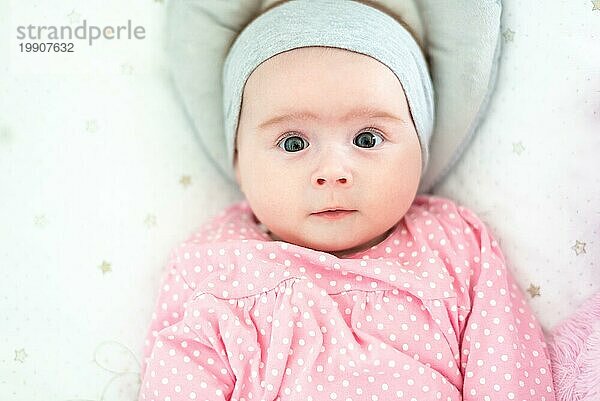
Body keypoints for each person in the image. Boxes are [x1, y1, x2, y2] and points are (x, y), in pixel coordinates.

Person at [137, 1, 556, 400]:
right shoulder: (213, 266)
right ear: (239, 164)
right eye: (294, 142)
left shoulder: (456, 246)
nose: (333, 171)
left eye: (367, 139)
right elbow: (178, 377)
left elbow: (509, 373)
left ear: (420, 148)